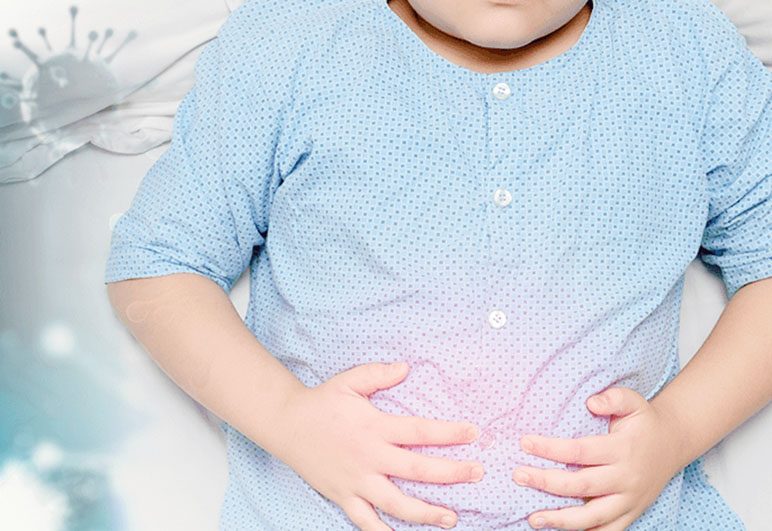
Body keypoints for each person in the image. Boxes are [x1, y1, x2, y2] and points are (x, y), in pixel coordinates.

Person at [104, 0, 772, 529]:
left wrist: (678, 431)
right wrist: (290, 420)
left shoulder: (684, 50)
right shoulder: (293, 40)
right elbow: (159, 263)